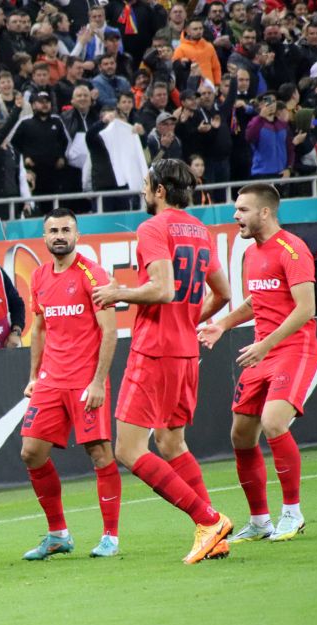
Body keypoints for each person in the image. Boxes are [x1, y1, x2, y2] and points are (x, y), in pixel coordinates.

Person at [92, 158, 234, 565]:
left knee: (128, 449)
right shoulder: (200, 230)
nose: (143, 189)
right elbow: (222, 293)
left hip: (154, 349)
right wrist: (190, 321)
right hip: (185, 350)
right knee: (171, 442)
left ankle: (208, 519)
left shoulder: (153, 227)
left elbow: (162, 289)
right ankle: (216, 537)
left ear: (158, 190)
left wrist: (118, 292)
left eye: (146, 184)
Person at [198, 184, 317, 544]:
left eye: (243, 210)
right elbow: (256, 301)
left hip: (293, 350)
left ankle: (292, 514)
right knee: (240, 434)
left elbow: (306, 309)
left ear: (265, 212)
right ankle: (260, 520)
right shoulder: (251, 253)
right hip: (262, 352)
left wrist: (265, 344)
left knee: (273, 422)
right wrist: (222, 324)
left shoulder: (292, 248)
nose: (236, 216)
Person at [20, 208, 121, 560]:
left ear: (77, 235)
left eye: (66, 229)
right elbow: (40, 329)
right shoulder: (39, 277)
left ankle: (110, 536)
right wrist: (33, 377)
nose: (59, 235)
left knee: (99, 452)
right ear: (44, 237)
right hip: (50, 380)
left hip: (85, 381)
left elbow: (110, 331)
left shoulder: (93, 275)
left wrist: (98, 382)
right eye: (53, 230)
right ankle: (58, 534)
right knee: (31, 453)